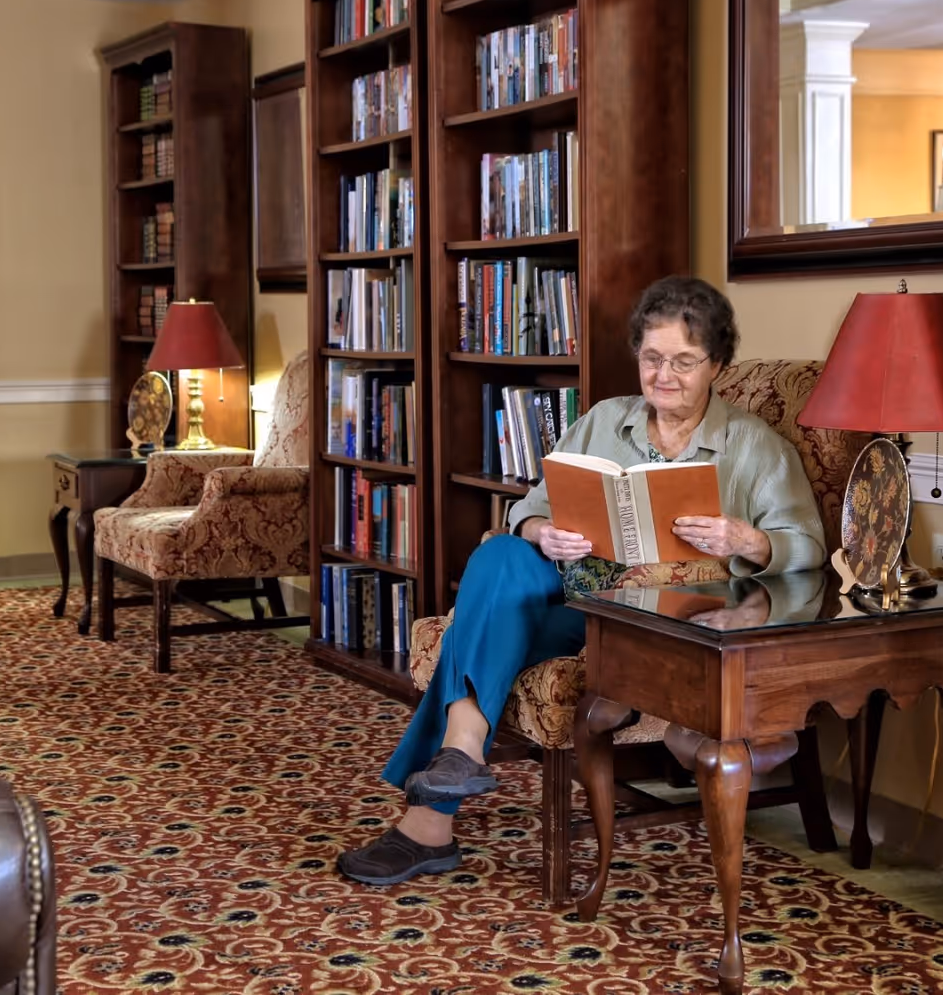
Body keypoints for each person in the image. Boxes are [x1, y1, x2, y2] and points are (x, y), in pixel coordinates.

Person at [335, 275, 827, 886]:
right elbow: (528, 507)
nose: (663, 375)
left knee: (477, 632)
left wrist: (744, 540)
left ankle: (432, 818)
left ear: (717, 365)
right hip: (583, 599)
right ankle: (461, 748)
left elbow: (808, 549)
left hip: (666, 624)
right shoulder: (603, 421)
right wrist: (546, 533)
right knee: (502, 557)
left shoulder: (755, 448)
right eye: (651, 358)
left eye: (683, 361)